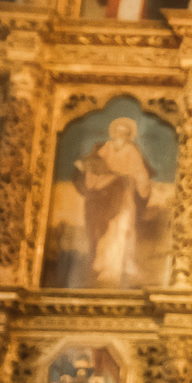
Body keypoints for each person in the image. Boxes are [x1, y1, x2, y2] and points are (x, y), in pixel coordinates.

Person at [74, 119, 154, 286]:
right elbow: (96, 166)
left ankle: (124, 266)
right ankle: (106, 266)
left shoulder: (131, 150)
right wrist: (89, 170)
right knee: (107, 230)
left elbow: (139, 171)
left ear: (128, 135)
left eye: (124, 132)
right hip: (107, 195)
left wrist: (142, 181)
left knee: (124, 229)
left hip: (124, 196)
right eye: (118, 132)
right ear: (114, 133)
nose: (121, 135)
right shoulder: (107, 148)